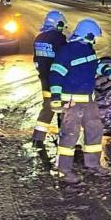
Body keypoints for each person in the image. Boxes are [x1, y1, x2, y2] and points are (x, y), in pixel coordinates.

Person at [48, 18, 111, 183]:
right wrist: (56, 97)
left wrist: (106, 70)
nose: (94, 39)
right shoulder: (67, 51)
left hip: (89, 100)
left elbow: (93, 66)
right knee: (70, 135)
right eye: (93, 36)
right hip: (72, 102)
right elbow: (55, 74)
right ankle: (64, 170)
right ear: (87, 34)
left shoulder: (88, 49)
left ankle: (93, 164)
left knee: (95, 131)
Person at [32, 10, 68, 144]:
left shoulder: (39, 38)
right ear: (58, 24)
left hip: (45, 80)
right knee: (62, 108)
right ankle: (64, 138)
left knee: (48, 106)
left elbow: (36, 59)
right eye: (61, 25)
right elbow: (64, 57)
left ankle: (38, 138)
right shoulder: (59, 38)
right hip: (57, 79)